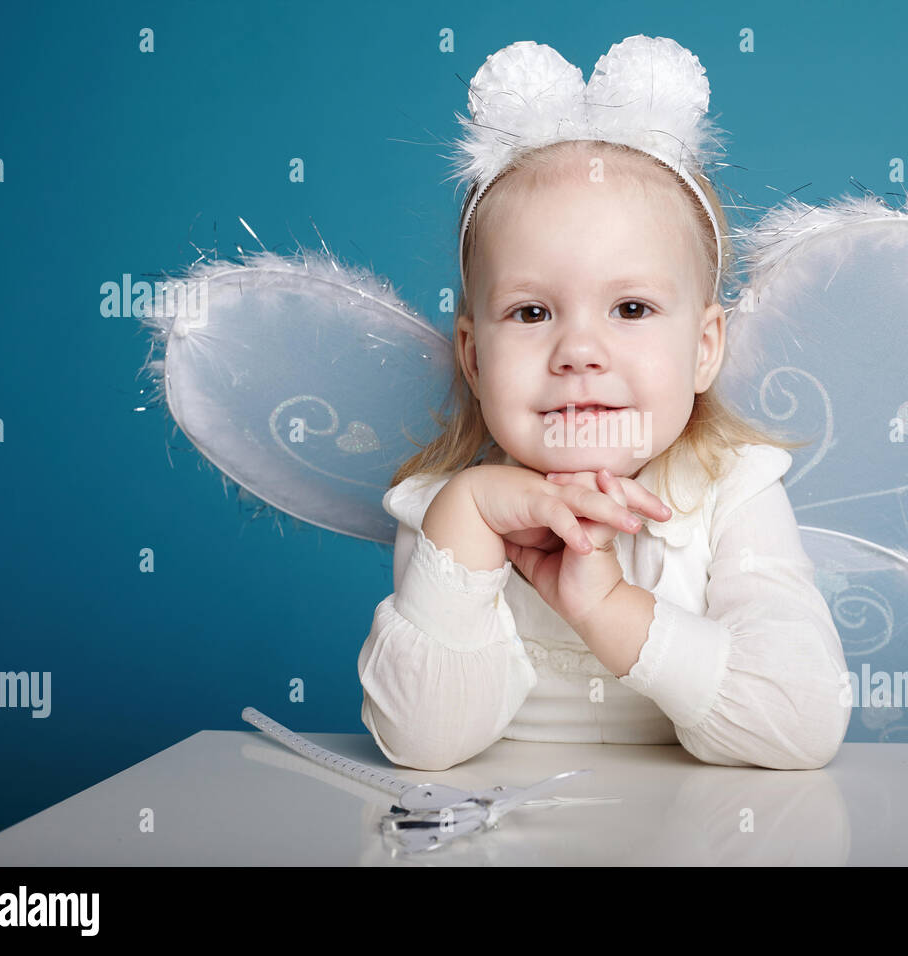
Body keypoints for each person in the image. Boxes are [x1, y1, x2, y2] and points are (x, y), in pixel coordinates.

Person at [357, 36, 851, 772]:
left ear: (705, 348)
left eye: (630, 308)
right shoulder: (445, 511)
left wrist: (608, 606)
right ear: (473, 357)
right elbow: (423, 744)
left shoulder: (733, 492)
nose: (578, 351)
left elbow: (801, 727)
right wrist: (469, 517)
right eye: (531, 313)